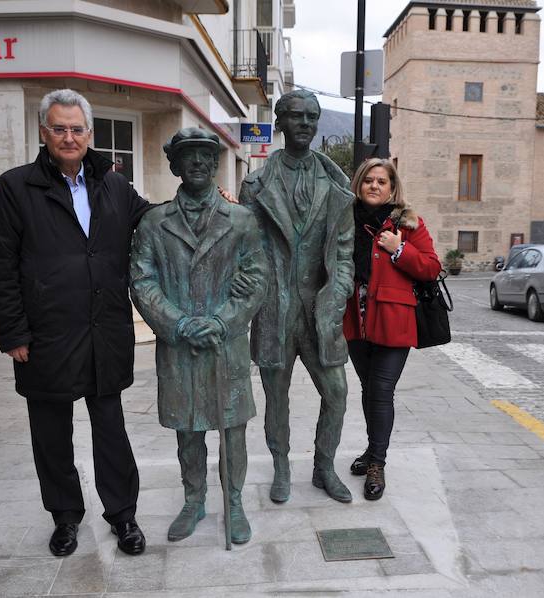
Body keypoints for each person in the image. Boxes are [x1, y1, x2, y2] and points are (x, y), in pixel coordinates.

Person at [0, 89, 148, 557]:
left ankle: (123, 515)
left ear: (89, 133)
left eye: (77, 128)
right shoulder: (15, 187)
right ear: (43, 132)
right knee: (51, 437)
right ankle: (65, 517)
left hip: (104, 332)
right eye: (59, 128)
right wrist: (12, 333)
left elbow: (155, 221)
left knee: (111, 433)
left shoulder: (114, 185)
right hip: (45, 337)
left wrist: (205, 205)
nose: (69, 137)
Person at [129, 128, 268, 545]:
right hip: (179, 347)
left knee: (233, 427)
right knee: (188, 431)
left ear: (215, 164)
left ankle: (236, 501)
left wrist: (224, 320)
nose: (198, 164)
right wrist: (179, 324)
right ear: (174, 165)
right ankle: (194, 500)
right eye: (188, 157)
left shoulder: (241, 219)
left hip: (227, 344)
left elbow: (256, 276)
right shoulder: (154, 222)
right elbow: (142, 280)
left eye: (206, 157)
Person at [238, 89, 356, 504]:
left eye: (312, 117)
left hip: (320, 309)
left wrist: (338, 292)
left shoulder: (337, 187)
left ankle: (324, 466)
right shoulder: (255, 186)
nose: (305, 123)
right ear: (281, 122)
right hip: (274, 310)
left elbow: (343, 253)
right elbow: (246, 250)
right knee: (276, 397)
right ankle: (282, 467)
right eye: (297, 116)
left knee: (337, 393)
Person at [343, 158, 441, 501]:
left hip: (393, 322)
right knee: (369, 390)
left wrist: (398, 248)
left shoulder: (407, 224)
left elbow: (431, 267)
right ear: (358, 184)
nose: (374, 185)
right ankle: (372, 451)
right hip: (355, 320)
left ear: (392, 187)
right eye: (368, 179)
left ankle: (377, 465)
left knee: (382, 391)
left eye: (381, 181)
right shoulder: (344, 221)